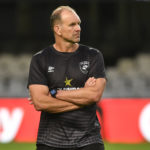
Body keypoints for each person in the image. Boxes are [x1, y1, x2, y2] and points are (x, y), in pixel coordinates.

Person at [27, 6, 106, 150]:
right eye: (72, 24)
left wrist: (55, 93)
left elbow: (94, 94)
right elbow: (40, 103)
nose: (78, 28)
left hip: (89, 140)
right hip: (50, 141)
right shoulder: (40, 59)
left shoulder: (93, 55)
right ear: (58, 29)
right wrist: (83, 98)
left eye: (79, 23)